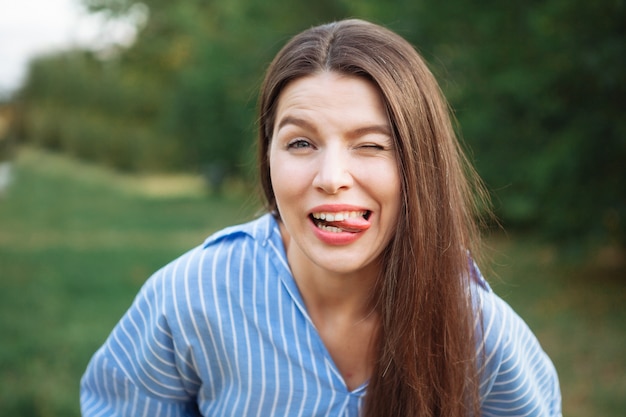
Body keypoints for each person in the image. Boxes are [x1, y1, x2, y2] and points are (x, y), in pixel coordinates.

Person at [80, 19, 561, 417]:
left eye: (371, 145)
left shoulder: (478, 330)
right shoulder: (190, 297)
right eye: (301, 143)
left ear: (421, 164)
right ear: (267, 157)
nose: (332, 178)